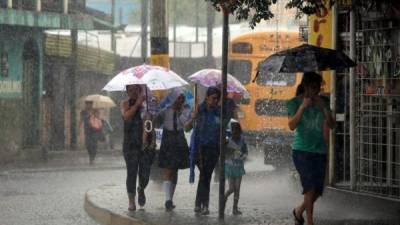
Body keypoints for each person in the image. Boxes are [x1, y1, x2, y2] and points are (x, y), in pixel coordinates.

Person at [287, 72, 335, 225]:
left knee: (318, 190)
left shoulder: (324, 101)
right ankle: (309, 222)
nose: (317, 91)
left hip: (319, 150)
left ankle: (299, 211)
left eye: (319, 87)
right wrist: (302, 107)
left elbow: (332, 125)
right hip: (301, 151)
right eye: (314, 87)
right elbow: (291, 125)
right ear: (306, 87)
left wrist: (324, 109)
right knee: (309, 188)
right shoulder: (294, 102)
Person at [190, 86, 236, 215]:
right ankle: (203, 204)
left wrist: (226, 138)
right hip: (199, 148)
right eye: (213, 98)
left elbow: (224, 129)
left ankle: (200, 204)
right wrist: (193, 118)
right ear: (207, 98)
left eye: (218, 99)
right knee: (204, 175)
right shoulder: (199, 109)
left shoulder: (220, 112)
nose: (216, 101)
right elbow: (188, 127)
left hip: (213, 148)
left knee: (205, 176)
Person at [155, 89, 192, 211]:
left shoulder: (185, 110)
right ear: (174, 98)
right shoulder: (166, 111)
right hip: (168, 139)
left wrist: (183, 113)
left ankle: (170, 199)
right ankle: (167, 199)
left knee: (175, 170)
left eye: (182, 98)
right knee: (168, 169)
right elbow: (155, 122)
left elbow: (185, 126)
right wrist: (153, 112)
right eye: (178, 98)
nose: (180, 100)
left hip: (179, 139)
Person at [121, 84, 155, 211]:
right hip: (130, 145)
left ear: (140, 90)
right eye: (130, 90)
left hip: (145, 145)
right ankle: (131, 201)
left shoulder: (147, 104)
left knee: (145, 173)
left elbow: (149, 124)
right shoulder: (125, 104)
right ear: (127, 91)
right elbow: (126, 117)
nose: (133, 92)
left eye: (136, 89)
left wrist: (150, 140)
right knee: (131, 173)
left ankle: (141, 188)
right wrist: (137, 105)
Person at [224, 121, 248, 215]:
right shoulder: (227, 141)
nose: (235, 134)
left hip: (238, 167)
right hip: (230, 166)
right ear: (231, 132)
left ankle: (235, 208)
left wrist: (242, 156)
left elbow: (246, 152)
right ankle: (224, 198)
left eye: (237, 132)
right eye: (233, 132)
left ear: (239, 131)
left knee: (237, 188)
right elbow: (225, 153)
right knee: (231, 188)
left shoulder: (242, 141)